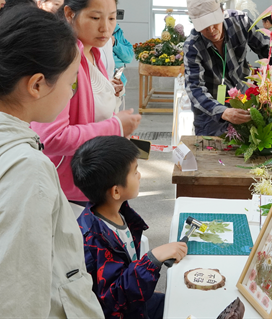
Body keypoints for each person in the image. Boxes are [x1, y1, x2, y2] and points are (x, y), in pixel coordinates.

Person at [0, 6, 103, 317]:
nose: (71, 94)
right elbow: (3, 306)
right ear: (37, 85)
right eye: (71, 83)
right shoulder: (25, 172)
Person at [31, 0, 141, 204]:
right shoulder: (63, 60)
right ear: (70, 13)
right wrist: (115, 127)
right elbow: (51, 137)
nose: (105, 27)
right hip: (69, 188)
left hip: (94, 182)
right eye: (95, 17)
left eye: (112, 18)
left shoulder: (94, 53)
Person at [72, 136, 187, 319]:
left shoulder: (119, 212)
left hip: (137, 303)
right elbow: (115, 299)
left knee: (182, 302)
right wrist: (152, 260)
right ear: (116, 191)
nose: (139, 175)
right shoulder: (93, 242)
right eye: (135, 172)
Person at [184, 0, 272, 136]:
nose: (211, 30)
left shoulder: (240, 22)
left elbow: (269, 51)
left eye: (214, 22)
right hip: (210, 114)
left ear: (221, 12)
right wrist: (223, 112)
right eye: (204, 26)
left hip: (243, 103)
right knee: (210, 148)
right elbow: (195, 88)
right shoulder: (193, 46)